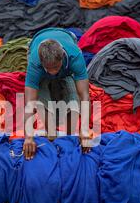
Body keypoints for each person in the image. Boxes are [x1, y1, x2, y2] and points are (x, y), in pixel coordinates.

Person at [23, 27, 91, 160]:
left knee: (73, 102)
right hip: (35, 42)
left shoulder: (74, 56)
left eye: (56, 67)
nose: (52, 72)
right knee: (45, 107)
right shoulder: (34, 63)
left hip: (67, 41)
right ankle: (52, 137)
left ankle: (69, 139)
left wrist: (84, 130)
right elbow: (29, 102)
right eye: (48, 68)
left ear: (62, 58)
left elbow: (84, 95)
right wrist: (29, 137)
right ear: (42, 63)